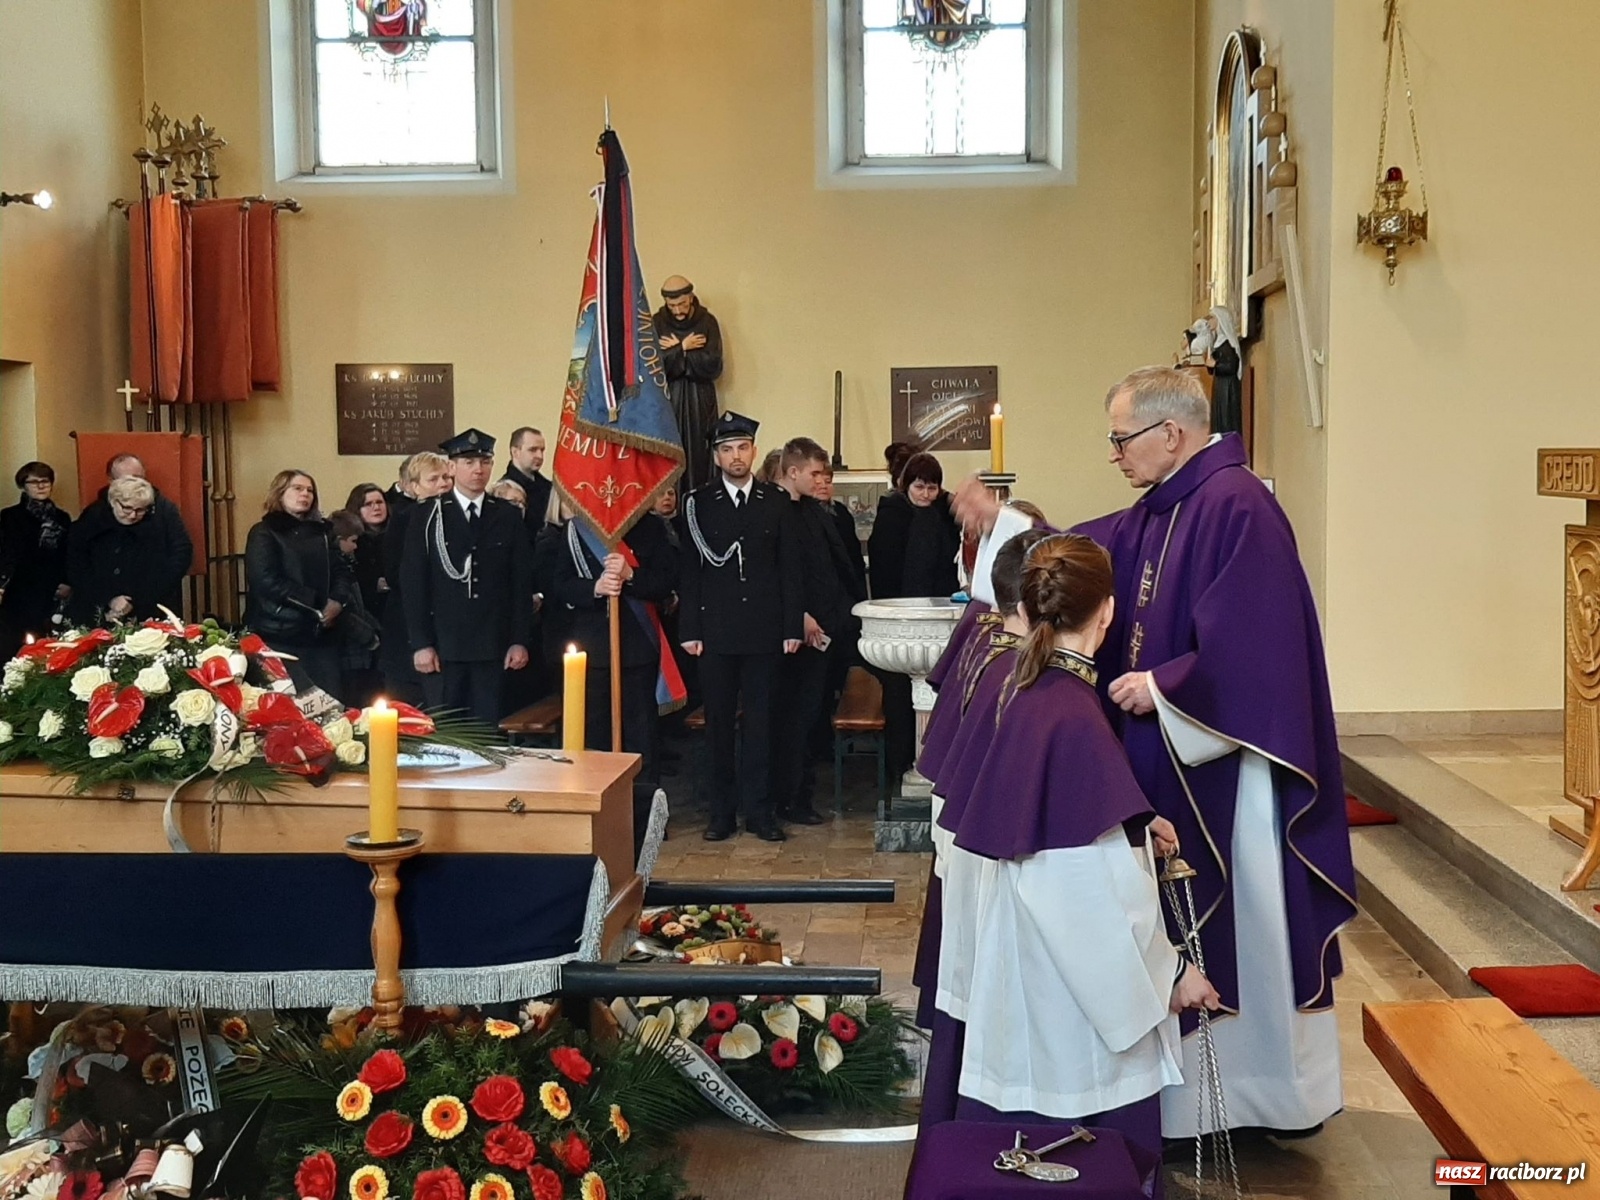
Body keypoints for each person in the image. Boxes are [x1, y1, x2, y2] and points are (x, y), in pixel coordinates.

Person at [958, 366, 1356, 1140]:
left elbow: (1259, 650)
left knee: (1242, 923)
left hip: (1226, 766)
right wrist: (1008, 531)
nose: (1114, 454)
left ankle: (1254, 1093)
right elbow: (1085, 554)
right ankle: (1194, 1098)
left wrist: (1165, 685)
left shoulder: (1240, 507)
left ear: (1170, 434)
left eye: (1120, 438)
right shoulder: (1169, 506)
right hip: (1169, 758)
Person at [919, 534, 1217, 1188]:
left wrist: (1134, 823)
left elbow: (1061, 821)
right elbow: (1089, 898)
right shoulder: (1071, 713)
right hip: (1063, 1003)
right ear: (1107, 613)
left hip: (1014, 959)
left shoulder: (1026, 686)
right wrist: (1169, 977)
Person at [678, 412, 802, 842]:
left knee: (762, 724)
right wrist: (690, 629)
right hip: (715, 632)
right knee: (718, 726)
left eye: (743, 448)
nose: (736, 456)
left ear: (753, 451)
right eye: (727, 449)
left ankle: (760, 812)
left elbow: (790, 570)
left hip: (765, 631)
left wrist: (791, 627)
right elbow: (690, 572)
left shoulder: (775, 501)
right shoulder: (697, 503)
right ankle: (721, 813)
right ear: (716, 457)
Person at [550, 499, 679, 853]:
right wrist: (595, 588)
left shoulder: (649, 528)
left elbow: (666, 579)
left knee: (642, 737)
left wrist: (630, 576)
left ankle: (646, 817)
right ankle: (593, 809)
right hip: (591, 648)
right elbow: (558, 583)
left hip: (636, 646)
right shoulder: (577, 530)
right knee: (592, 734)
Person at [402, 428, 534, 725]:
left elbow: (519, 582)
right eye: (469, 462)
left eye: (485, 461)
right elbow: (414, 583)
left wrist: (518, 639)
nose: (478, 469)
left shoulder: (506, 515)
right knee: (447, 732)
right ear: (452, 467)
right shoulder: (428, 515)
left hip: (492, 643)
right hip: (444, 644)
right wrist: (421, 642)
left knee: (487, 732)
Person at [770, 438, 858, 826]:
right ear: (793, 472)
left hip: (825, 631)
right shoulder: (772, 511)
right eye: (816, 473)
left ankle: (800, 795)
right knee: (788, 718)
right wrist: (798, 616)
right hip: (790, 635)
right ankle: (784, 798)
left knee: (809, 718)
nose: (823, 481)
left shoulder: (817, 513)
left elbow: (833, 569)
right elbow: (772, 576)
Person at [868, 451, 961, 779]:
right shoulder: (892, 514)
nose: (925, 495)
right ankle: (900, 764)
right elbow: (882, 566)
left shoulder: (944, 514)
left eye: (932, 488)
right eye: (919, 487)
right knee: (898, 696)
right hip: (900, 617)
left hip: (937, 614)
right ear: (906, 485)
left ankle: (935, 765)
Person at [243, 470, 356, 699]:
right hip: (279, 631)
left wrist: (338, 601)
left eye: (310, 490)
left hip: (322, 633)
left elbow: (342, 571)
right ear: (280, 492)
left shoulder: (324, 533)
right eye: (298, 488)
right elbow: (265, 580)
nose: (305, 494)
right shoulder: (265, 532)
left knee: (330, 703)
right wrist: (316, 603)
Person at [380, 451, 452, 705]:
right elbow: (397, 573)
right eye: (433, 479)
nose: (443, 483)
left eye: (446, 477)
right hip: (408, 626)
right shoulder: (405, 519)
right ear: (414, 486)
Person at [67, 477, 189, 625]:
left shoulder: (157, 525)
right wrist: (109, 599)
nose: (133, 515)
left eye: (140, 510)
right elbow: (77, 564)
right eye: (127, 508)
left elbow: (174, 561)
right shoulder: (92, 520)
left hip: (147, 607)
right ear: (113, 502)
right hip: (95, 607)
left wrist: (135, 599)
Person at [78, 453, 193, 607]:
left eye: (139, 478)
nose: (133, 515)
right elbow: (78, 560)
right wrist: (107, 598)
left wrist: (144, 595)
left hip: (153, 601)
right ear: (111, 481)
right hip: (102, 605)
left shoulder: (164, 510)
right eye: (126, 479)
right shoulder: (94, 514)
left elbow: (181, 553)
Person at [652, 276, 723, 492]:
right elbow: (656, 367)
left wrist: (674, 355)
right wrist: (684, 348)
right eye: (672, 305)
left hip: (699, 400)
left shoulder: (707, 322)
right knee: (671, 455)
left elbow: (713, 365)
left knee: (699, 454)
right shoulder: (656, 323)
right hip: (669, 399)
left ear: (691, 298)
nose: (677, 310)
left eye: (682, 304)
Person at [0, 462, 72, 660]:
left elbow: (68, 552)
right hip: (18, 590)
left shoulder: (62, 518)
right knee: (13, 646)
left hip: (51, 590)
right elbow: (7, 553)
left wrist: (66, 582)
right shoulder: (9, 516)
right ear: (23, 485)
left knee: (49, 646)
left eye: (45, 481)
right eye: (34, 482)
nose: (41, 486)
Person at [329, 509, 383, 706]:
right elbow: (347, 613)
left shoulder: (348, 567)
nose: (355, 546)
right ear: (338, 540)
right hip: (350, 652)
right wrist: (369, 636)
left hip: (358, 650)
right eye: (352, 540)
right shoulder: (336, 569)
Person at [341, 482, 390, 623]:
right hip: (364, 610)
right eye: (368, 504)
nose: (376, 508)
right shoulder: (350, 540)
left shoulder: (398, 534)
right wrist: (374, 583)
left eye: (380, 502)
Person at [501, 427, 552, 539]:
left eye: (542, 450)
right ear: (515, 452)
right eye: (533, 450)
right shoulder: (503, 490)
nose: (540, 456)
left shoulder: (550, 488)